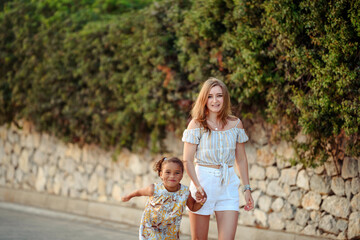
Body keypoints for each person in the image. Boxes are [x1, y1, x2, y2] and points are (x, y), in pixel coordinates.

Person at [182, 77, 254, 240]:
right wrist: (198, 186)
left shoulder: (236, 124)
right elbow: (187, 160)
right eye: (210, 96)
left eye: (219, 95)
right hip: (203, 185)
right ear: (204, 99)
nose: (215, 100)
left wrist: (247, 188)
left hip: (228, 184)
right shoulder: (196, 125)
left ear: (225, 98)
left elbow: (241, 159)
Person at [121, 157, 206, 240]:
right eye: (168, 172)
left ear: (182, 175)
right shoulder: (154, 189)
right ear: (161, 174)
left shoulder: (185, 192)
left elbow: (193, 207)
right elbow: (138, 192)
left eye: (177, 173)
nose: (172, 176)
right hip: (151, 229)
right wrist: (128, 196)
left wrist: (201, 202)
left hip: (170, 232)